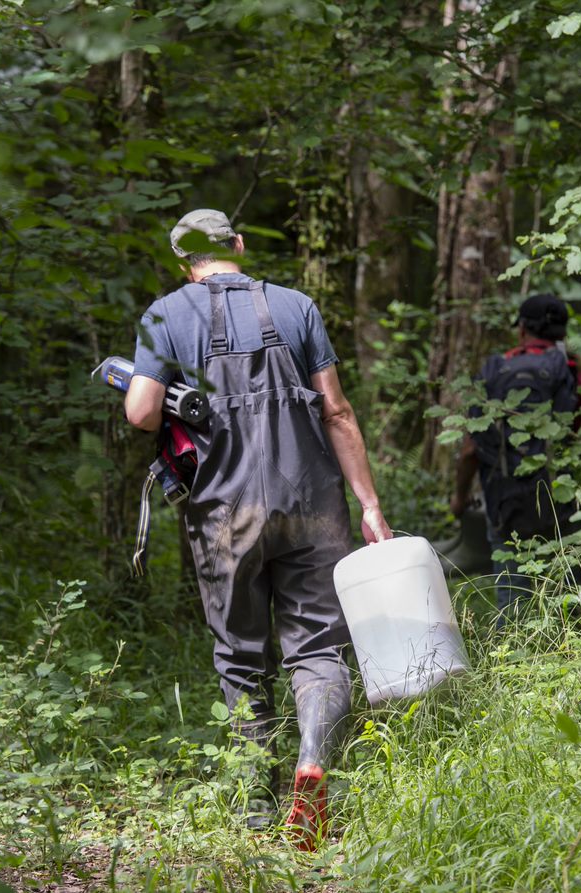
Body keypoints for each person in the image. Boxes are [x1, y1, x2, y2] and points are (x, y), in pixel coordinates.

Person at [125, 208, 392, 847]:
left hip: (225, 513)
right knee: (319, 648)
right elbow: (339, 412)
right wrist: (370, 504)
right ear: (238, 246)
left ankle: (253, 813)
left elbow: (138, 413)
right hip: (313, 505)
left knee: (242, 657)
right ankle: (312, 760)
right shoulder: (296, 307)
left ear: (181, 260)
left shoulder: (165, 315)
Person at [449, 293, 581, 623]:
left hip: (506, 501)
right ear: (564, 332)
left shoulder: (494, 373)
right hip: (566, 498)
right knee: (577, 592)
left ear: (522, 330)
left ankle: (513, 660)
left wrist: (459, 496)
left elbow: (469, 450)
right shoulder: (579, 372)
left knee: (512, 599)